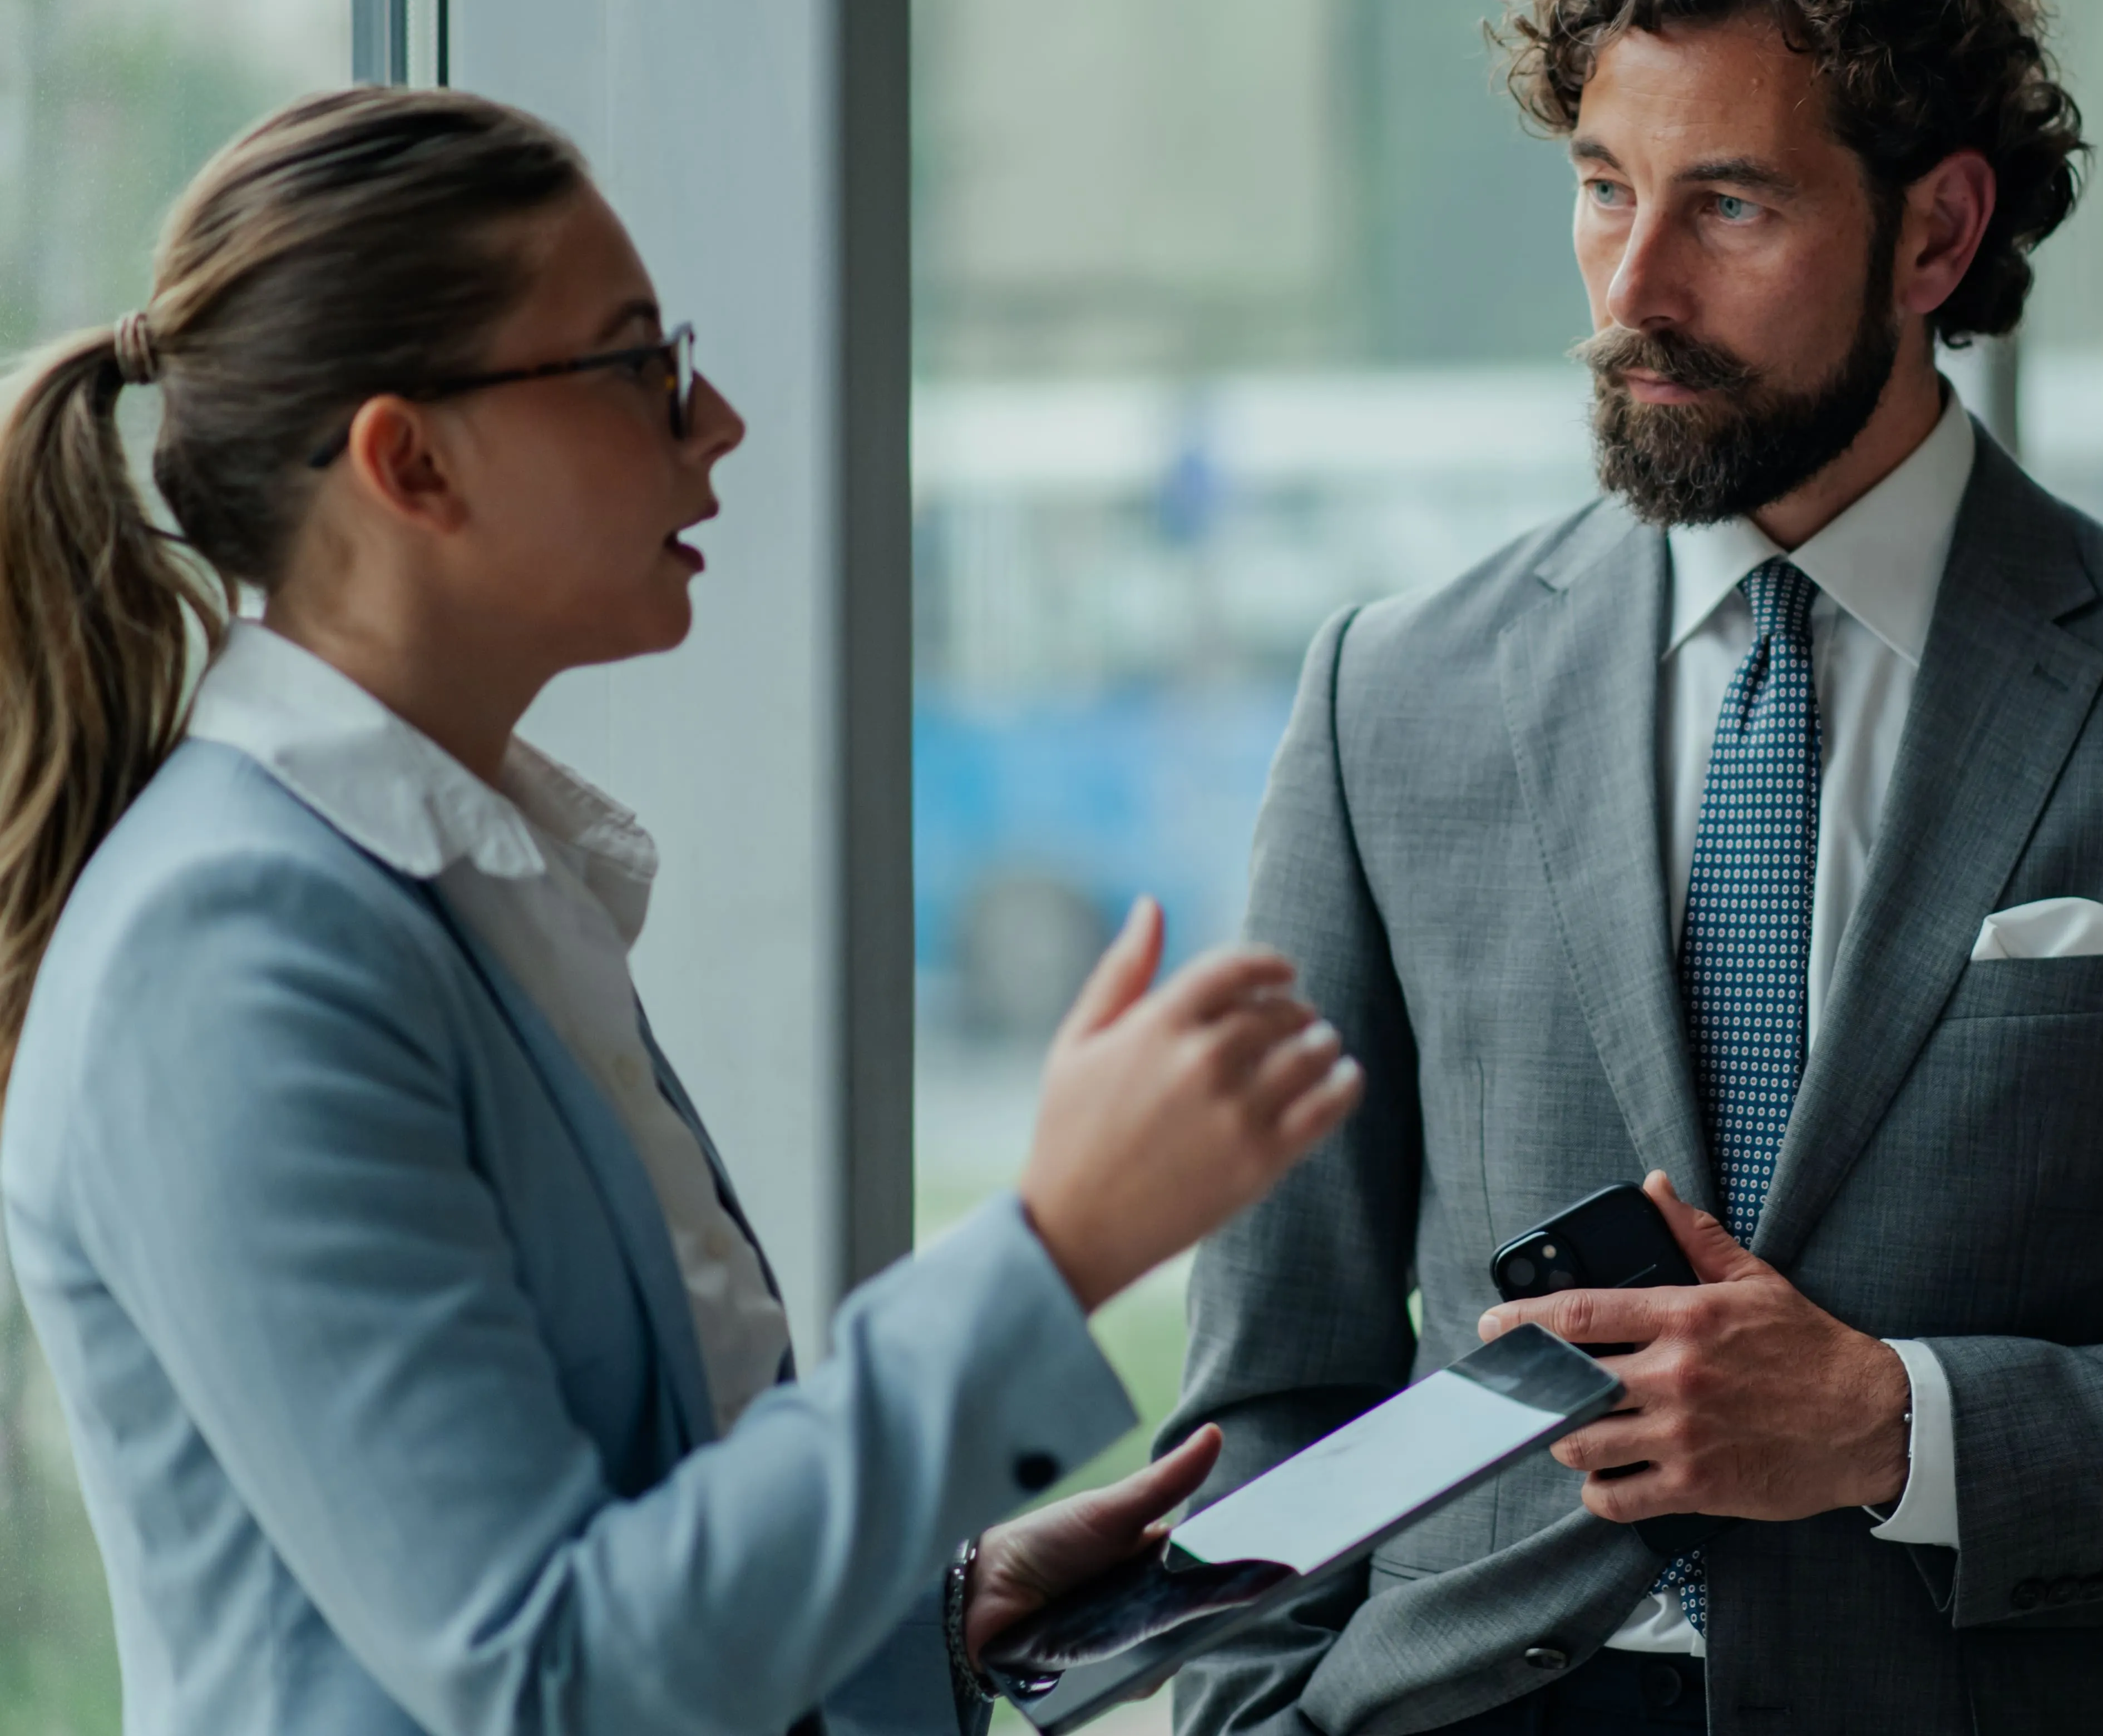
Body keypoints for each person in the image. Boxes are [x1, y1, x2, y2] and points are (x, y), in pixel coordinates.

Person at [1162, 0, 2103, 1735]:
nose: (1635, 284)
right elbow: (1272, 1366)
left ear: (1935, 236)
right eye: (1602, 190)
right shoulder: (1394, 699)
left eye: (1731, 207)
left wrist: (1897, 1430)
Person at [0, 86, 1363, 1736]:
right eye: (633, 363)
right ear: (408, 460)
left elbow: (610, 1568)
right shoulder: (231, 958)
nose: (711, 418)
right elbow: (547, 1676)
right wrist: (1047, 1247)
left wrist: (920, 1613)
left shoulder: (461, 879)